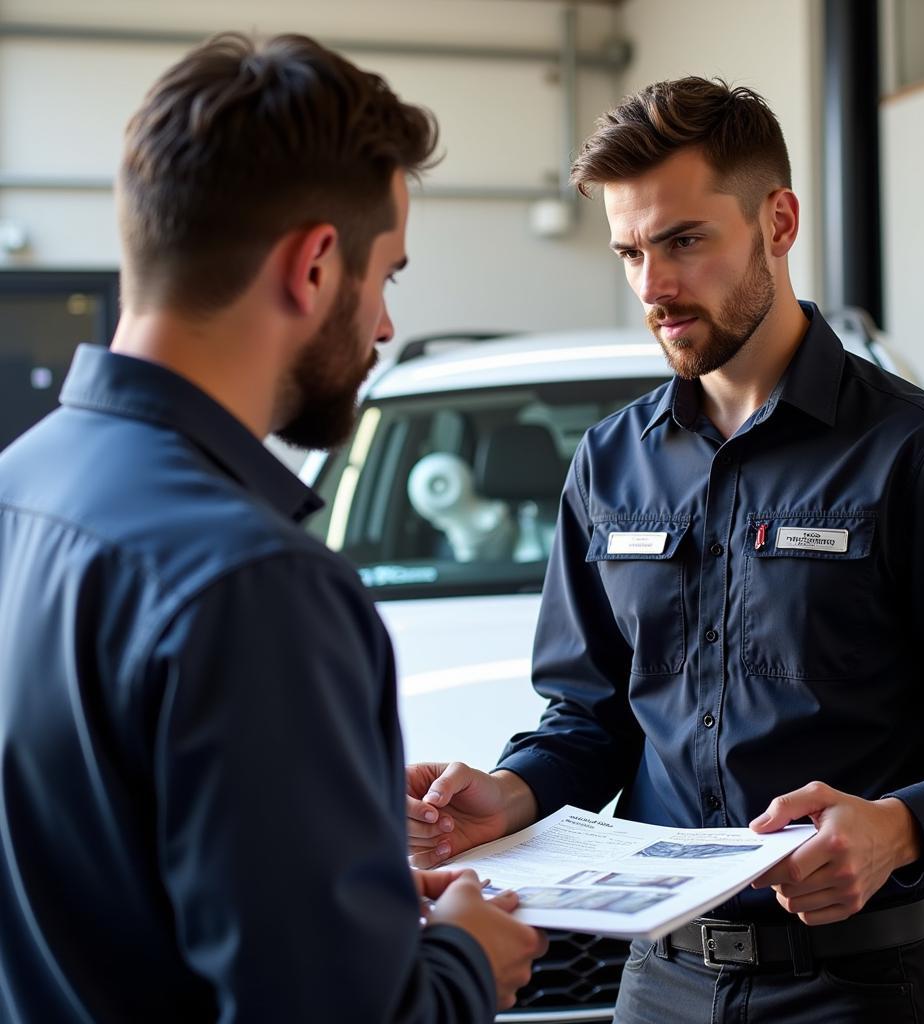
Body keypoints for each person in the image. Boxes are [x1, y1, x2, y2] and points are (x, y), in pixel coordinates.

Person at [406, 76, 924, 1021]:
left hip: (859, 990)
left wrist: (901, 830)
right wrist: (510, 792)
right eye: (630, 251)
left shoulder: (918, 456)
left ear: (778, 221)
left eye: (684, 241)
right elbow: (589, 715)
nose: (653, 286)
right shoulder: (612, 463)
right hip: (659, 986)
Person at [0, 32, 546, 1023]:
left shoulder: (15, 491)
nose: (383, 326)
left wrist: (353, 891)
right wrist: (466, 959)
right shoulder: (254, 581)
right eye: (387, 277)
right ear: (314, 264)